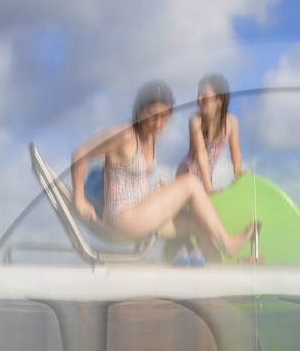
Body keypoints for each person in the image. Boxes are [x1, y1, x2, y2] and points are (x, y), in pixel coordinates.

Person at [70, 80, 255, 260]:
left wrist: (156, 192)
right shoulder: (124, 134)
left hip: (142, 212)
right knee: (191, 183)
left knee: (204, 224)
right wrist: (79, 199)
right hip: (123, 217)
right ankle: (227, 243)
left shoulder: (150, 137)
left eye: (164, 117)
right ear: (139, 110)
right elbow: (80, 154)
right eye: (152, 115)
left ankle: (216, 281)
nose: (158, 123)